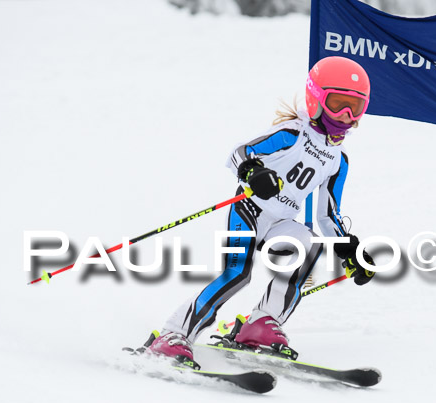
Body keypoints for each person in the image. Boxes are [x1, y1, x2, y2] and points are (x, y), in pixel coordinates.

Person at [144, 56, 376, 365]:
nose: (346, 115)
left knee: (307, 245)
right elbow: (240, 152)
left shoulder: (338, 160)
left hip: (281, 221)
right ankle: (173, 333)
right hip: (250, 209)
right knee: (237, 274)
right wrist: (253, 172)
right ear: (316, 98)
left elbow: (326, 215)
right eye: (337, 104)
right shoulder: (293, 134)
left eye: (355, 107)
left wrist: (349, 250)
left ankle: (260, 325)